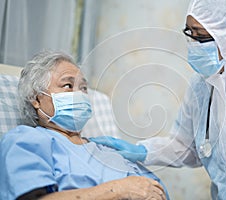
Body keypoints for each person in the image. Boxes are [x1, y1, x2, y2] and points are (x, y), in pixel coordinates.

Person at [90, 0, 226, 199]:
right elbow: (186, 146)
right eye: (189, 33)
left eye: (201, 36)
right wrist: (143, 151)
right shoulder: (202, 84)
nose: (193, 45)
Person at [0, 51, 168, 200]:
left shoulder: (109, 150)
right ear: (36, 99)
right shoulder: (25, 142)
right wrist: (118, 190)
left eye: (84, 88)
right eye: (68, 85)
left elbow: (156, 190)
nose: (79, 93)